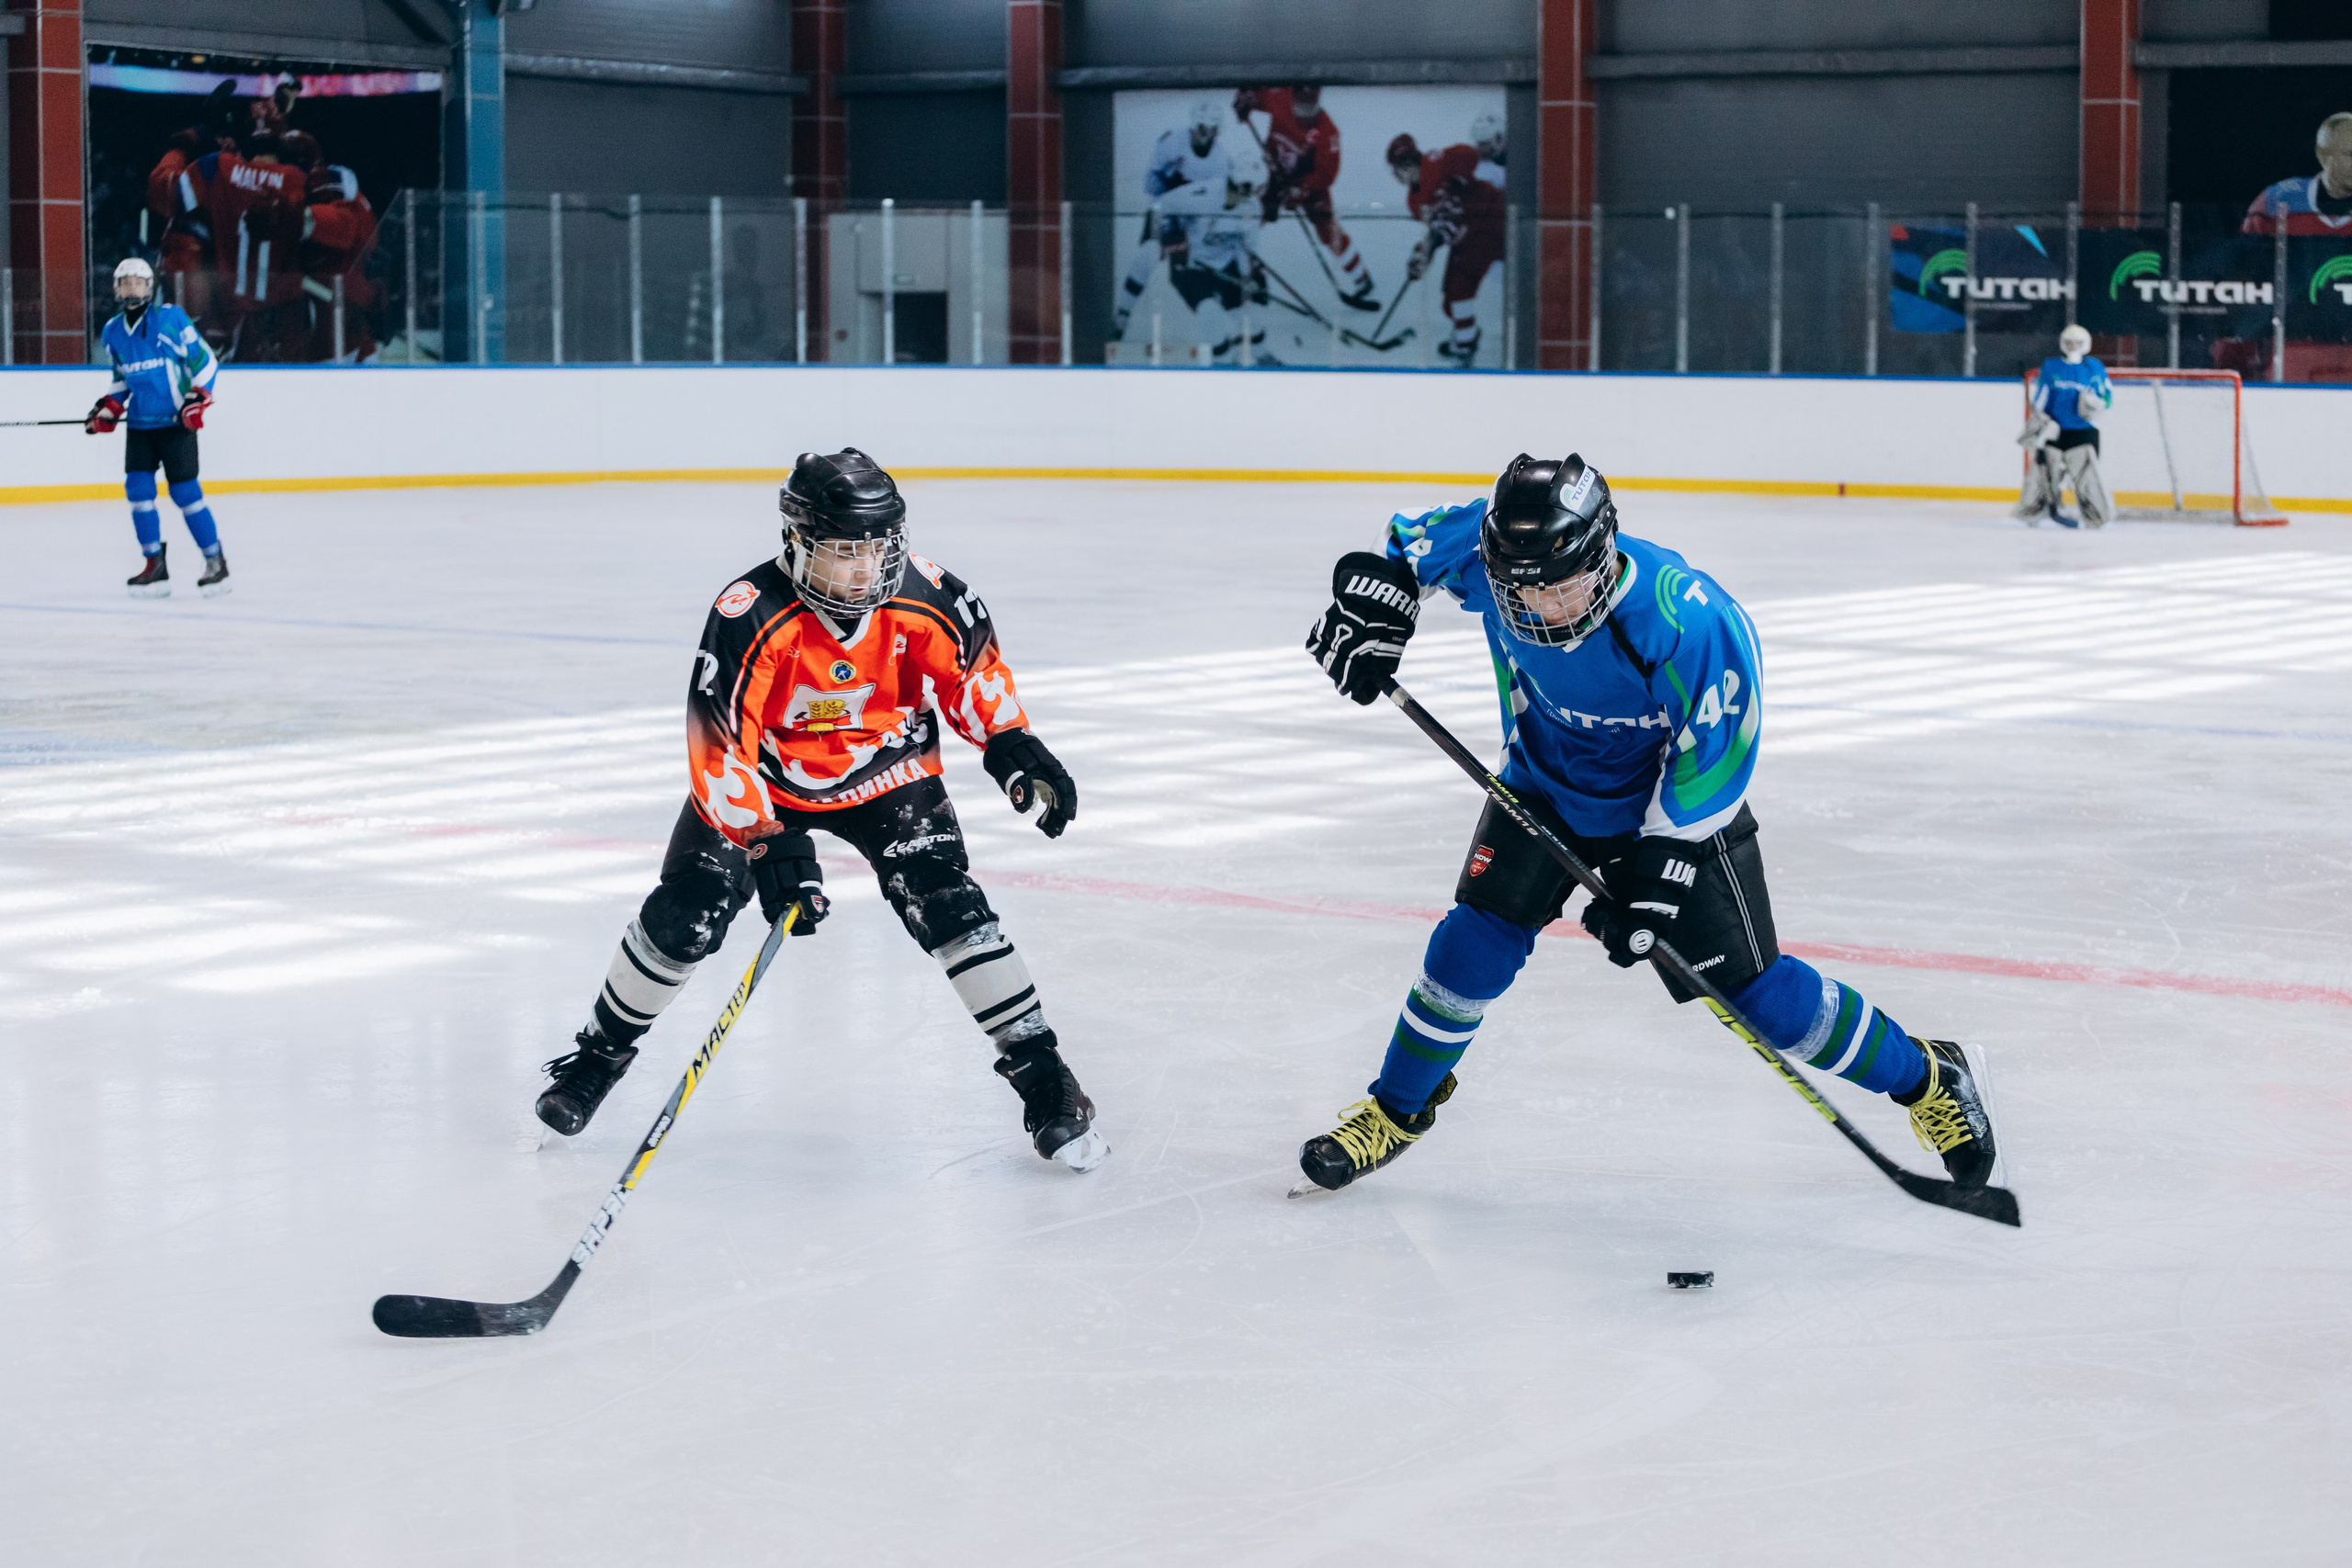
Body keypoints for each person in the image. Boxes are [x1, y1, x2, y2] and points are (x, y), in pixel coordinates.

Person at [1295, 454, 1999, 1196]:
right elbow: (1403, 548)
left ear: (1603, 554)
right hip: (1544, 785)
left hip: (1672, 806)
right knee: (1470, 946)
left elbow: (1719, 750)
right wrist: (1374, 609)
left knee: (1763, 1000)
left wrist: (1661, 867)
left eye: (1560, 584)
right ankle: (1396, 1111)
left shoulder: (1685, 617)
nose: (1539, 604)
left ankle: (1928, 1076)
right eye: (1520, 587)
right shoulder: (1494, 545)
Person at [531, 450, 1108, 1173]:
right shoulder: (749, 612)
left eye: (878, 549)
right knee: (688, 914)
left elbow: (974, 676)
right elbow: (720, 748)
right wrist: (771, 847)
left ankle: (1047, 1077)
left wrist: (1013, 744)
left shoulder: (931, 595)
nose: (865, 571)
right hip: (765, 784)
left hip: (889, 773)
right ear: (797, 544)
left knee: (952, 907)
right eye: (844, 553)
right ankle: (596, 1058)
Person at [87, 258, 229, 598]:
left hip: (175, 423)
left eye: (139, 281)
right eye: (125, 282)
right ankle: (155, 564)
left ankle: (215, 561)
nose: (132, 287)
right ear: (116, 289)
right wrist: (107, 408)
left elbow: (205, 362)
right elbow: (122, 379)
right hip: (140, 426)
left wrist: (198, 399)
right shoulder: (112, 332)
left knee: (185, 494)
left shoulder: (170, 320)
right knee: (137, 490)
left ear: (150, 287)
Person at [1233, 85, 1378, 312]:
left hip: (1311, 184)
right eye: (1300, 108)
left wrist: (1301, 190)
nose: (1305, 115)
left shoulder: (1328, 132)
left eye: (1311, 109)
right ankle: (1245, 274)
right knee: (1251, 215)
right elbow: (1251, 94)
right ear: (1292, 99)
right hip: (1276, 173)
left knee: (1327, 228)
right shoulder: (1280, 99)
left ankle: (1361, 277)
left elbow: (1327, 174)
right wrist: (1244, 103)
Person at [1386, 131, 1508, 367]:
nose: (1401, 172)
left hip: (1493, 215)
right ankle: (1465, 341)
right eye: (1398, 167)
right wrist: (1424, 253)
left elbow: (1469, 155)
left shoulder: (1437, 162)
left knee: (1461, 288)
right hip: (1469, 238)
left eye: (1405, 164)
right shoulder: (1414, 201)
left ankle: (1465, 344)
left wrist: (1457, 178)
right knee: (1452, 295)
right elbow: (1438, 231)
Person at [1114, 98, 1229, 342]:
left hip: (1193, 217)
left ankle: (1217, 322)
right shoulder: (1171, 143)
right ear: (1195, 126)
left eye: (1213, 130)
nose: (1208, 136)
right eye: (1203, 129)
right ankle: (1123, 312)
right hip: (1165, 208)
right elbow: (1151, 184)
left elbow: (1214, 203)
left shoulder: (1220, 162)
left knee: (1190, 270)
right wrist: (1170, 187)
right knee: (1148, 253)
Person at [1159, 141, 1274, 366]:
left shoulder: (1253, 209)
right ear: (1237, 182)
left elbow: (1246, 248)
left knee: (1248, 316)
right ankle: (1222, 368)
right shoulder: (1203, 194)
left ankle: (1262, 358)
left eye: (1255, 190)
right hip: (1192, 266)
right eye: (1249, 188)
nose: (1252, 195)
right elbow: (1164, 205)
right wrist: (1174, 240)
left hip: (1224, 264)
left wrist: (1251, 277)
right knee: (1211, 318)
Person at [2017, 324, 2112, 529]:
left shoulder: (2094, 368)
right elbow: (2040, 399)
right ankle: (2035, 512)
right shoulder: (2051, 367)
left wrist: (2098, 403)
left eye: (2077, 343)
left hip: (2085, 432)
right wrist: (2041, 422)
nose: (2073, 346)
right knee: (2043, 474)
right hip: (2055, 430)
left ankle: (2096, 516)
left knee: (2087, 477)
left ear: (2085, 344)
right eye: (2069, 343)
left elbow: (2107, 397)